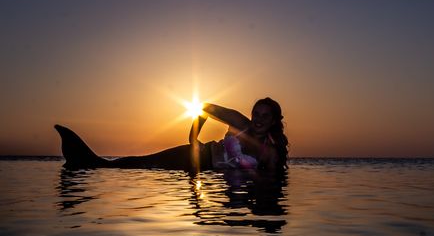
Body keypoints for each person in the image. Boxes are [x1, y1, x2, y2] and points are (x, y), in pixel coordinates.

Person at [55, 97, 288, 172]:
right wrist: (193, 139)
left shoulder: (272, 152)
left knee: (132, 167)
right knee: (134, 165)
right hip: (191, 155)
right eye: (256, 113)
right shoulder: (240, 123)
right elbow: (205, 107)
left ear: (274, 120)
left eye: (265, 116)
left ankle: (85, 164)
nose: (258, 119)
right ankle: (84, 162)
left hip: (202, 171)